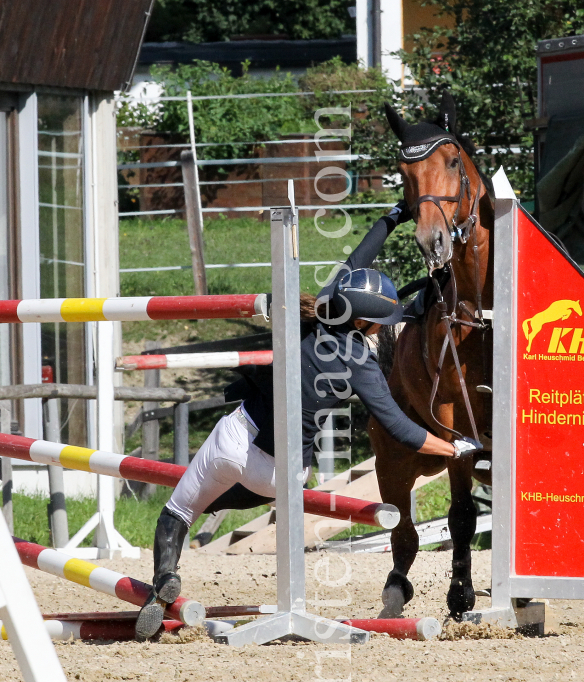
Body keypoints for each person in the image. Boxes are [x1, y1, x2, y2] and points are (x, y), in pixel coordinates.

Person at [135, 202, 482, 641]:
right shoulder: (362, 364)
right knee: (264, 487)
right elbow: (400, 428)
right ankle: (219, 504)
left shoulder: (321, 307)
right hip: (281, 476)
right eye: (377, 322)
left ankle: (163, 581)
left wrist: (393, 217)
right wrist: (453, 448)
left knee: (178, 511)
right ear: (361, 320)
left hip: (234, 439)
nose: (380, 328)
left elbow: (358, 261)